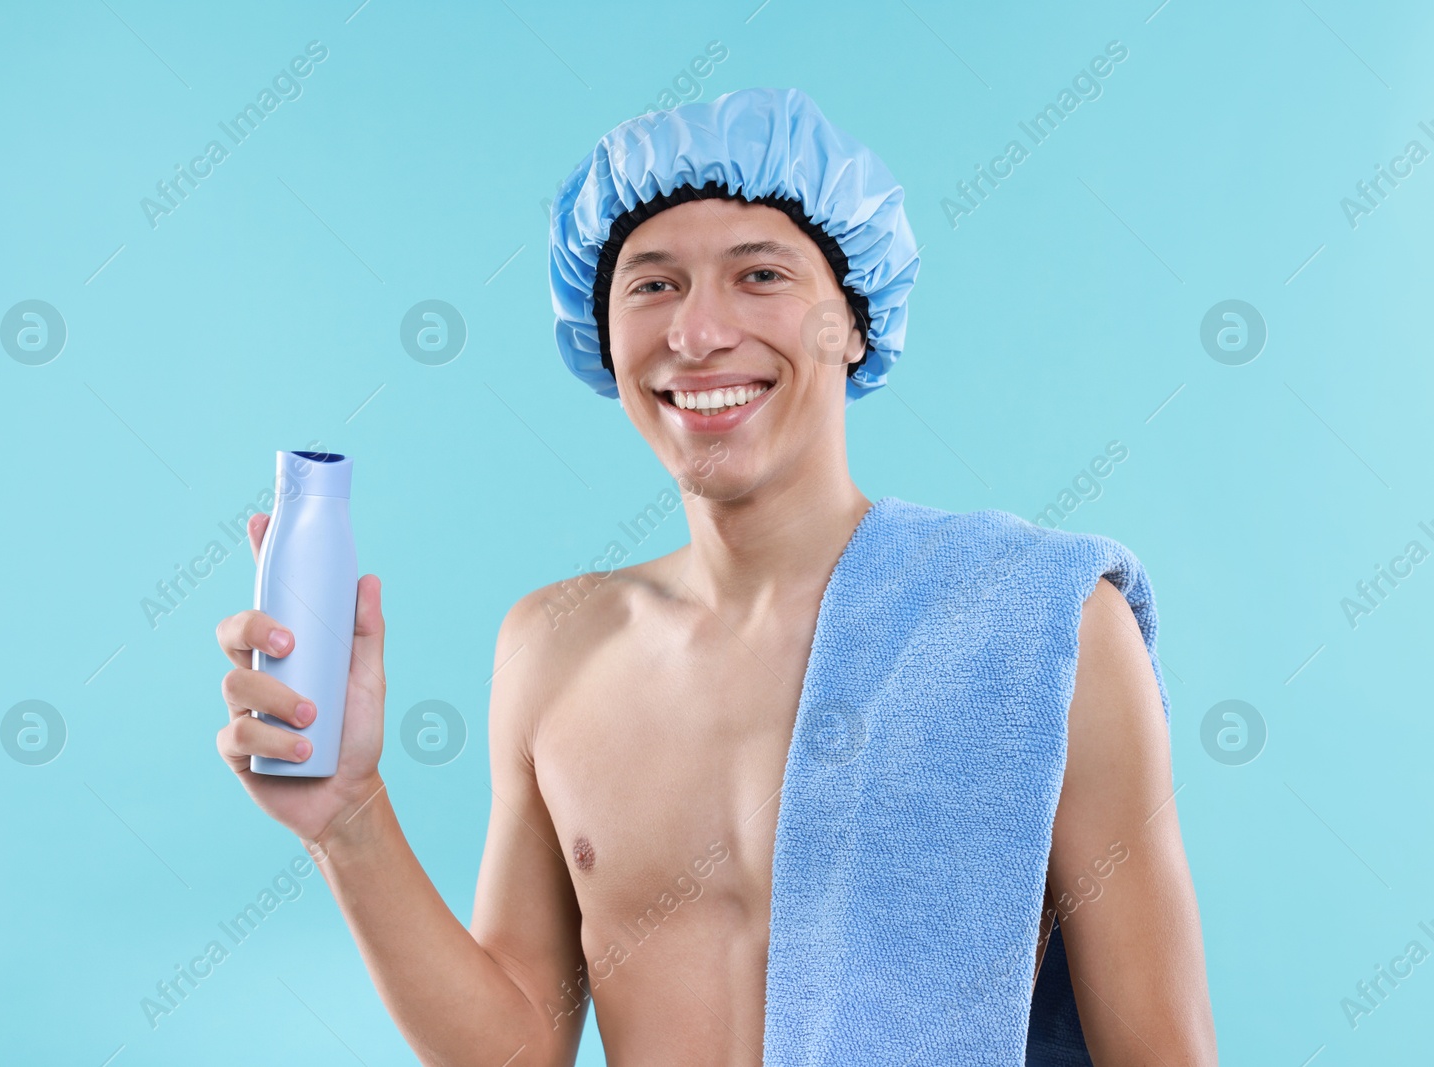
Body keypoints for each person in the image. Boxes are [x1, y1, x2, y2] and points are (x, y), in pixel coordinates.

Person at [214, 87, 1217, 1064]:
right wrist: (349, 818)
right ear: (601, 337)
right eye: (651, 284)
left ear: (855, 318)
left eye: (760, 275)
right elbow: (516, 1047)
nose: (696, 335)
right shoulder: (555, 645)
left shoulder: (1044, 627)